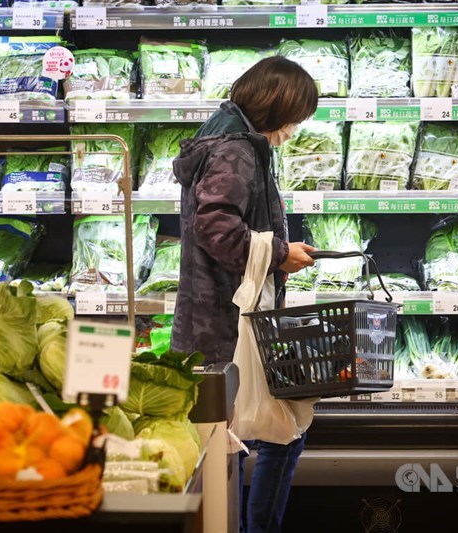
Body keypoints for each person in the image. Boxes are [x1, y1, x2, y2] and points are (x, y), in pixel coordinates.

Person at [171, 56, 319, 532]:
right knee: (275, 434)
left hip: (215, 315)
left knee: (228, 442)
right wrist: (278, 254)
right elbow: (215, 225)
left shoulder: (226, 136)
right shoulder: (235, 150)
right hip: (228, 322)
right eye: (295, 119)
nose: (294, 129)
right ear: (276, 107)